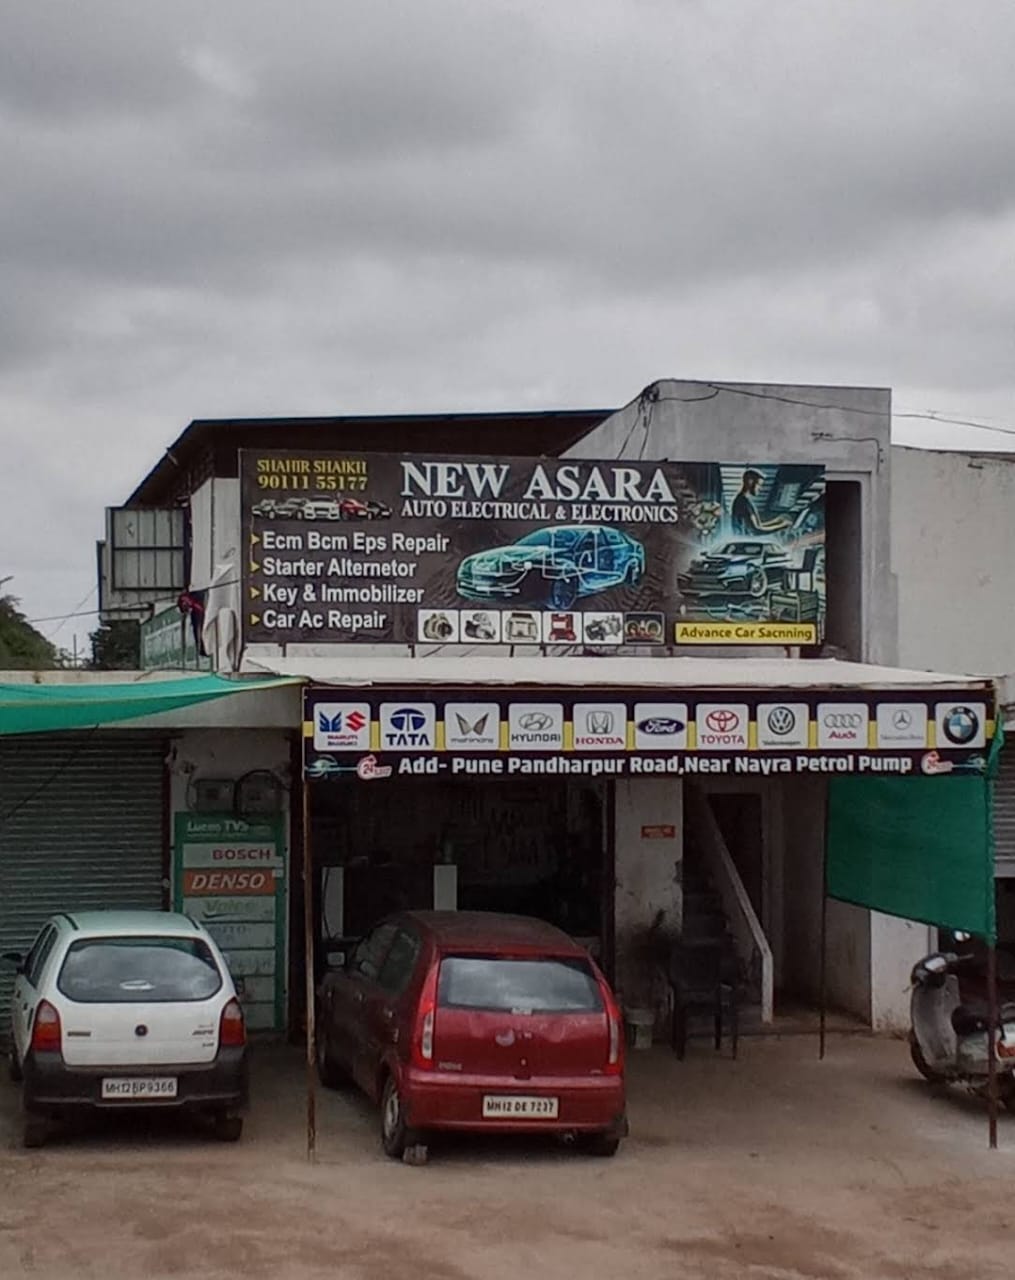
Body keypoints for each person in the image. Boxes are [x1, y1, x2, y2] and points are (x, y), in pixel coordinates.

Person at [730, 469, 791, 536]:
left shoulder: (743, 500)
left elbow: (758, 525)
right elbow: (756, 530)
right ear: (750, 482)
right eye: (759, 484)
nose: (760, 488)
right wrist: (781, 526)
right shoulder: (743, 502)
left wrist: (776, 522)